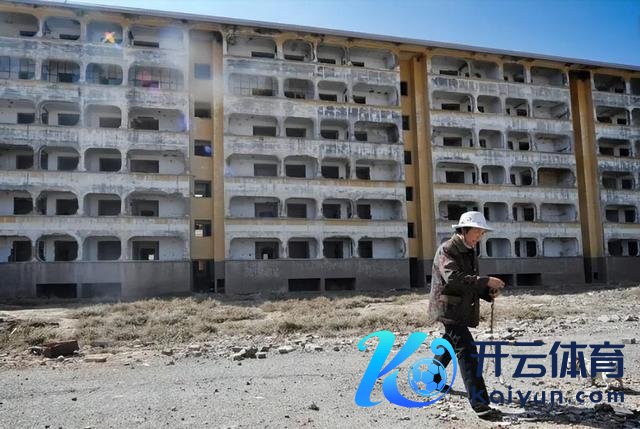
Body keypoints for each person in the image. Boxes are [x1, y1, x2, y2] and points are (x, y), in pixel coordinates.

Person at [428, 211, 505, 420]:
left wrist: (487, 292)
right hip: (447, 308)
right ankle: (480, 404)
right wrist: (486, 281)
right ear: (464, 230)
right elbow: (454, 278)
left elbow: (468, 282)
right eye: (476, 232)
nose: (479, 236)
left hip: (459, 307)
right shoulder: (447, 249)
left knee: (450, 343)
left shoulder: (470, 250)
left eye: (482, 233)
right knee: (467, 351)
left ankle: (432, 379)